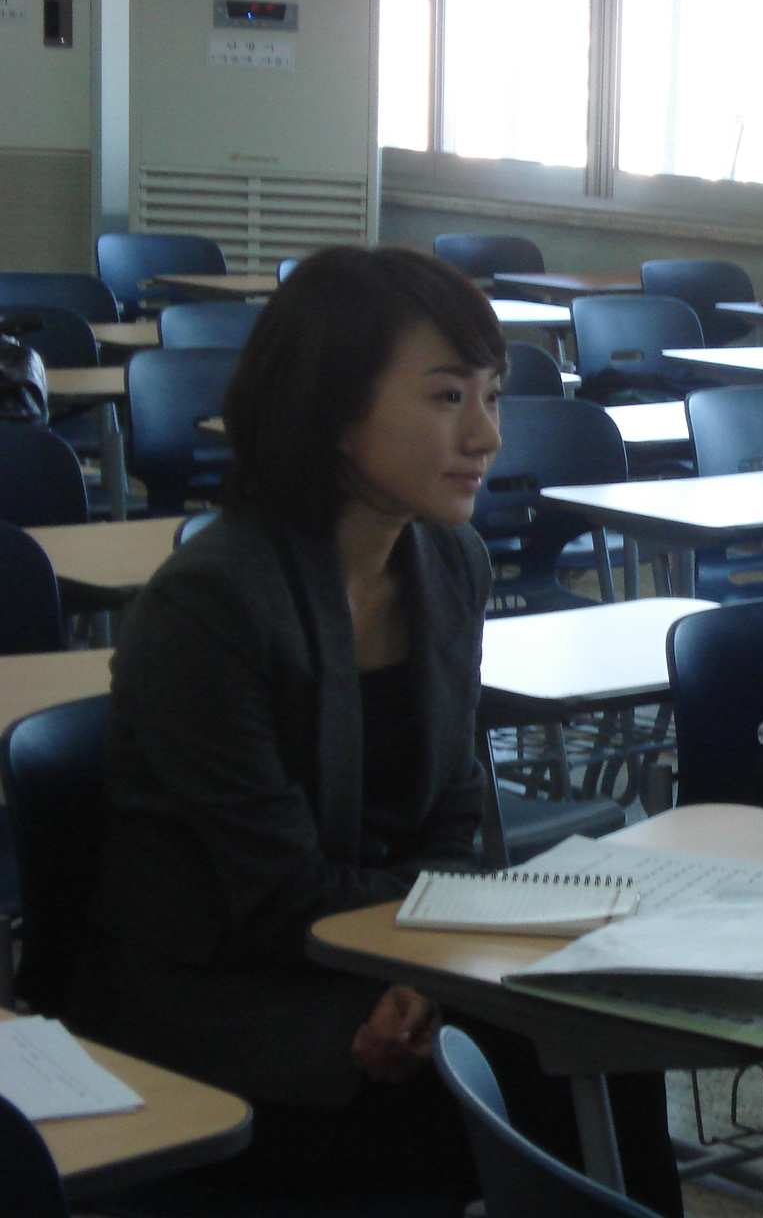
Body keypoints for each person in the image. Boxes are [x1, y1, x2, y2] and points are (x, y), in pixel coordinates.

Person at [63, 246, 680, 1213]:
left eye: (492, 396)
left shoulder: (448, 562)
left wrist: (431, 964)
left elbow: (453, 818)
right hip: (221, 1004)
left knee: (608, 1044)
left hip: (380, 956)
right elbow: (277, 897)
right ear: (333, 412)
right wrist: (432, 953)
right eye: (447, 398)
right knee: (494, 1099)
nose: (485, 435)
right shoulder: (213, 603)